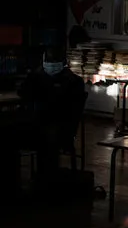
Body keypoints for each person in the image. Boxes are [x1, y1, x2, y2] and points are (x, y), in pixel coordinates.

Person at [18, 46, 85, 184]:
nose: (51, 64)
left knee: (48, 137)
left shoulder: (73, 81)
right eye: (48, 61)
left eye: (55, 61)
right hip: (39, 122)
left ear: (63, 62)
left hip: (60, 126)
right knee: (11, 134)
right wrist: (35, 75)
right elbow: (23, 92)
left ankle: (47, 182)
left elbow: (65, 106)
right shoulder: (38, 77)